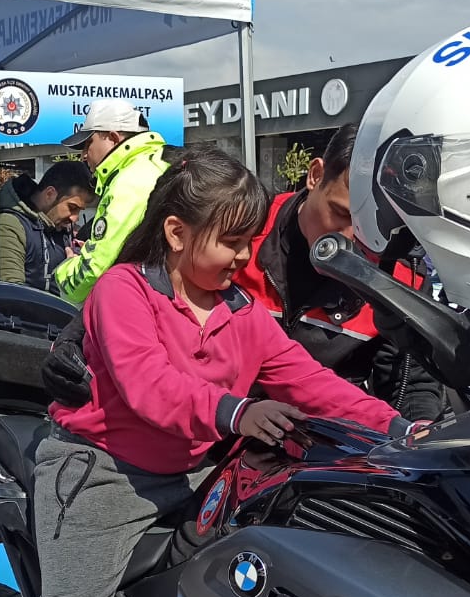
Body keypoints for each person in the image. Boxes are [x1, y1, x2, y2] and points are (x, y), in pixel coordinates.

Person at [0, 147, 411, 597]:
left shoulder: (241, 313)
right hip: (100, 477)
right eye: (231, 242)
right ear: (176, 232)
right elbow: (149, 384)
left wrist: (401, 428)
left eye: (249, 241)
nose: (243, 256)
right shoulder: (123, 290)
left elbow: (312, 382)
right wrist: (237, 411)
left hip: (191, 476)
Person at [43, 124, 444, 421]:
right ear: (315, 175)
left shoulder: (401, 276)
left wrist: (413, 430)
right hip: (192, 439)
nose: (353, 236)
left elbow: (405, 384)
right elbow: (133, 280)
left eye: (375, 224)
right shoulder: (238, 225)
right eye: (341, 213)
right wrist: (73, 340)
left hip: (302, 446)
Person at [53, 99, 170, 303]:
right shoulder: (158, 162)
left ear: (113, 138)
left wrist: (65, 271)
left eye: (88, 144)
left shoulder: (130, 179)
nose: (83, 155)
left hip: (147, 303)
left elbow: (96, 267)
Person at [0, 162, 96, 293]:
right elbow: (10, 294)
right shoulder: (9, 225)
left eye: (80, 210)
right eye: (72, 207)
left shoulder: (60, 228)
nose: (75, 218)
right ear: (49, 194)